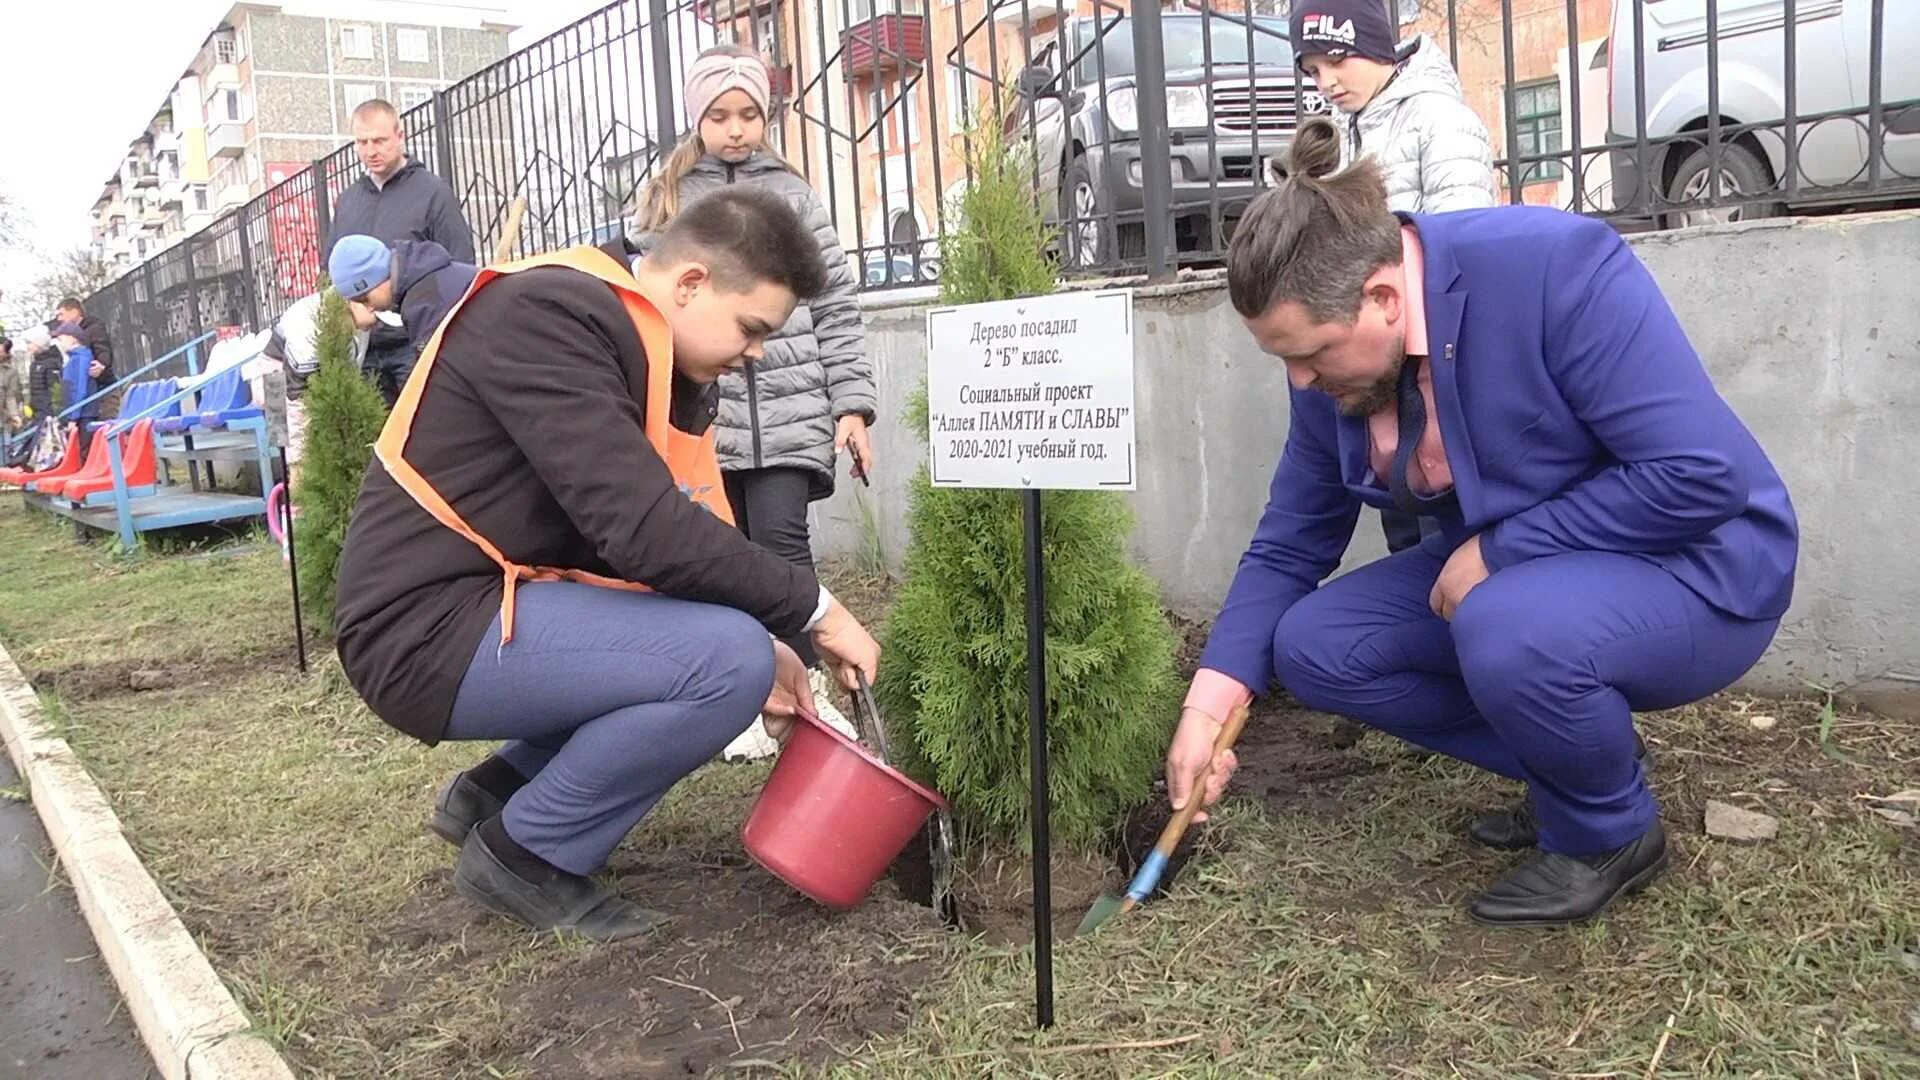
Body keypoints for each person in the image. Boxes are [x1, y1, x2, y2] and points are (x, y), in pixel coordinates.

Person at [1166, 121, 1796, 927]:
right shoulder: (1332, 363)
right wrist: (1208, 706)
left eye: (1311, 354)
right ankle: (1577, 762)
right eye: (1281, 359)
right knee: (1318, 645)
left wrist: (1501, 549)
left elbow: (1699, 474)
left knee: (1504, 623)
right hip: (1526, 583)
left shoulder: (1553, 269)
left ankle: (1610, 834)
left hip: (1696, 566)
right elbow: (1292, 537)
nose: (1298, 380)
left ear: (1384, 299)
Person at [332, 186, 882, 941]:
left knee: (734, 648)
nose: (755, 354)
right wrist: (815, 612)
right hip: (420, 632)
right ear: (691, 283)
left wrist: (771, 635)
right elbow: (643, 532)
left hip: (480, 607)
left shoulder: (647, 350)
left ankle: (498, 793)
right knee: (725, 662)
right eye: (752, 328)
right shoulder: (549, 317)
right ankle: (527, 856)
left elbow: (669, 535)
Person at [631, 44, 877, 759]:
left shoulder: (795, 196)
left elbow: (836, 305)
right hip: (708, 420)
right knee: (722, 555)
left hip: (796, 412)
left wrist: (851, 404)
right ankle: (745, 692)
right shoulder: (669, 198)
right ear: (696, 118)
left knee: (781, 543)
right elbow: (644, 300)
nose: (736, 128)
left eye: (748, 114)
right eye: (719, 115)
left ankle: (807, 693)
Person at [1285, 0, 1496, 555]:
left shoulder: (1440, 120)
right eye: (1313, 70)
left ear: (1377, 47)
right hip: (1370, 357)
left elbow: (1465, 239)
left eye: (1337, 61)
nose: (1327, 82)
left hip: (1436, 354)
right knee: (1403, 519)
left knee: (1453, 521)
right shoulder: (1338, 135)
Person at [324, 99, 476, 406]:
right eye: (362, 142)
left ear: (400, 135)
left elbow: (461, 263)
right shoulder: (349, 201)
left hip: (417, 341)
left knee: (425, 424)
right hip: (365, 346)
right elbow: (331, 269)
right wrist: (350, 305)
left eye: (379, 140)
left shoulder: (433, 192)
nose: (370, 151)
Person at [326, 235, 478, 356]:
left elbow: (440, 375)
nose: (370, 308)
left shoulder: (423, 303)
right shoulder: (434, 275)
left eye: (364, 299)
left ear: (377, 279)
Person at [54, 298, 116, 419]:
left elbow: (103, 348)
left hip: (103, 386)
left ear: (74, 312)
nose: (59, 319)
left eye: (61, 314)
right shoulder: (69, 335)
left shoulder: (94, 328)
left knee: (106, 422)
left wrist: (102, 364)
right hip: (89, 390)